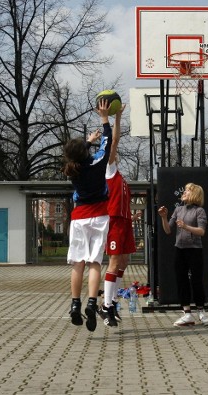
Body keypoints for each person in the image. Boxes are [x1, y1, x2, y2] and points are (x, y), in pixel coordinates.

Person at [63, 99, 112, 332]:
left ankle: (75, 305)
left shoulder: (71, 169)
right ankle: (92, 303)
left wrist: (86, 143)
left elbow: (76, 154)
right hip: (100, 216)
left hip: (79, 217)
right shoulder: (97, 163)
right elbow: (108, 143)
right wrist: (105, 119)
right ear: (85, 152)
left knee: (77, 264)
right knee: (94, 263)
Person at [98, 103, 136, 328]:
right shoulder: (108, 169)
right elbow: (114, 141)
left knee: (124, 260)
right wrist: (113, 118)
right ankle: (106, 306)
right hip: (113, 221)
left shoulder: (120, 176)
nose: (115, 152)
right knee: (113, 262)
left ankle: (112, 301)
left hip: (124, 221)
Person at [158, 183, 208, 327]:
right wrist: (164, 217)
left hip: (194, 250)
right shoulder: (178, 209)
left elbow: (202, 231)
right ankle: (187, 313)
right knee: (181, 281)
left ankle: (201, 311)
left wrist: (186, 227)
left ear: (194, 194)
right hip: (179, 250)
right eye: (185, 190)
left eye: (187, 190)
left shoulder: (199, 211)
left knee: (196, 281)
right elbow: (168, 230)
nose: (184, 192)